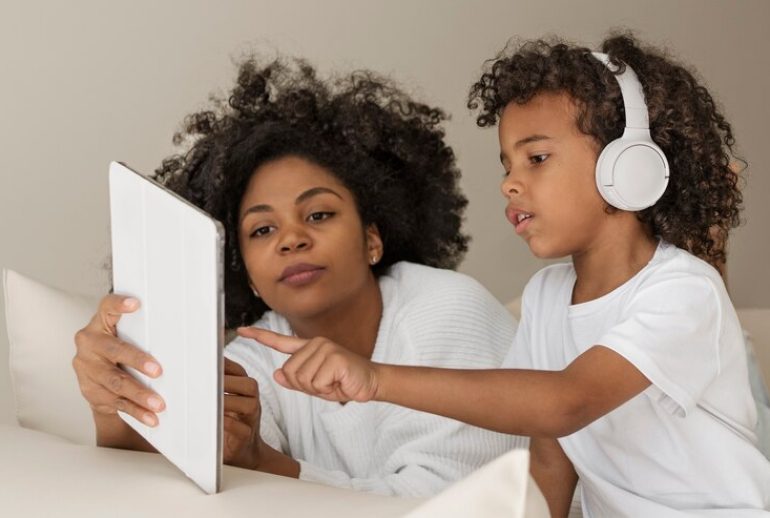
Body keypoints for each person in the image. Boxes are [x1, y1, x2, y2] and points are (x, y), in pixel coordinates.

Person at [248, 34, 770, 515]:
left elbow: (565, 403)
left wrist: (376, 379)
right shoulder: (547, 297)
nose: (510, 185)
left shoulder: (683, 291)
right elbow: (548, 464)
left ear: (627, 166)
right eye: (507, 167)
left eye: (536, 158)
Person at [72, 56, 523, 497]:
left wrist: (265, 464)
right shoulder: (254, 356)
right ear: (245, 274)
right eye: (262, 229)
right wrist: (115, 407)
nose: (291, 239)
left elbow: (454, 504)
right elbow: (170, 484)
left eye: (319, 214)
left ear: (372, 241)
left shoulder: (448, 310)